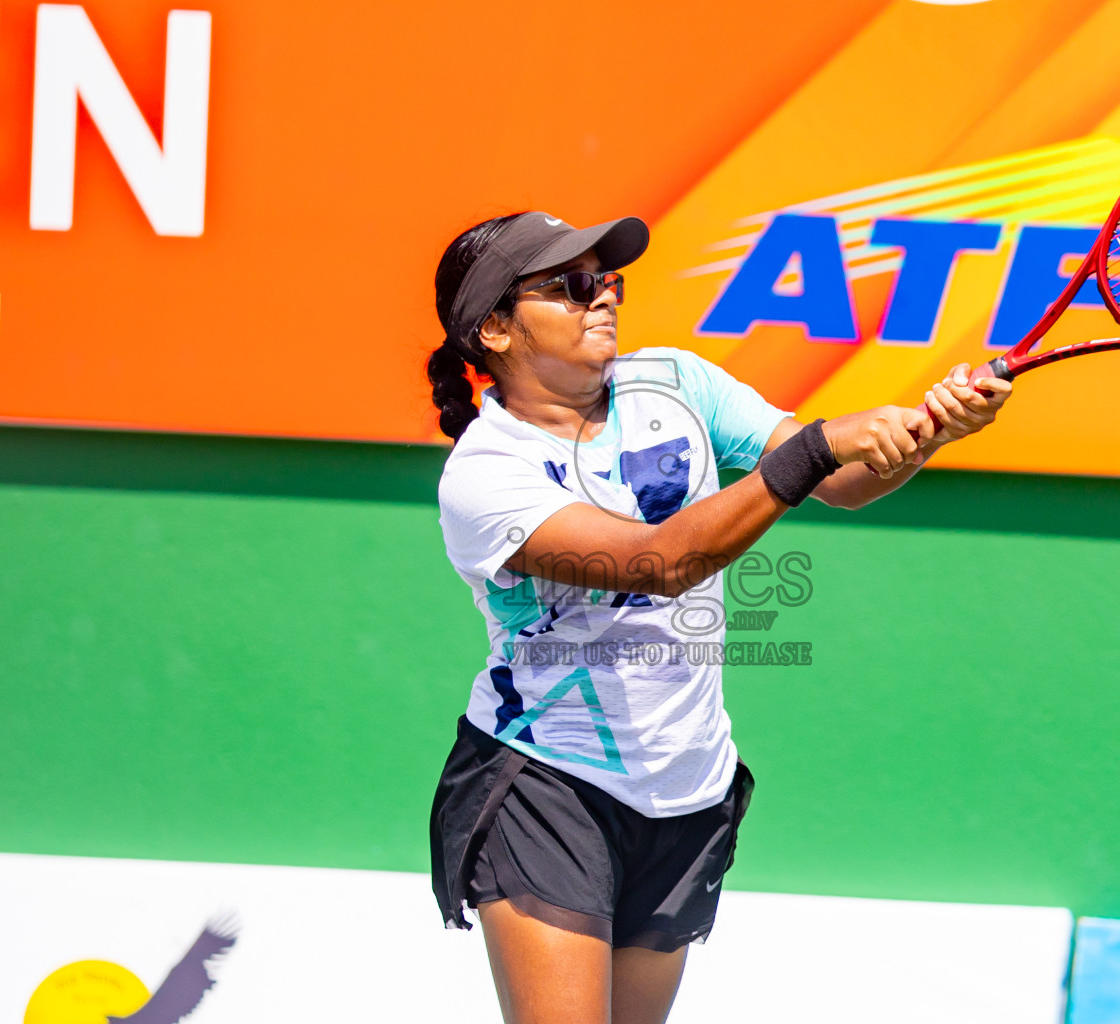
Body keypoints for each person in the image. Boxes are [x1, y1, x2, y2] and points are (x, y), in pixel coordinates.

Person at [426, 211, 1011, 1024]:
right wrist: (815, 448)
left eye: (607, 280)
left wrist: (930, 432)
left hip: (688, 787)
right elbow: (659, 564)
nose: (603, 299)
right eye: (572, 286)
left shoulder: (676, 380)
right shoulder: (485, 473)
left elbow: (840, 483)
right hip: (549, 783)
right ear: (493, 328)